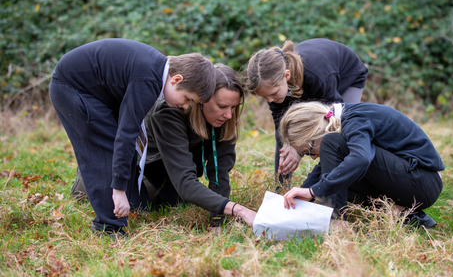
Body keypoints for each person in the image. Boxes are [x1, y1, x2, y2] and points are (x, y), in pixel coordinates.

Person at [49, 38, 216, 236]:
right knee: (107, 149)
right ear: (176, 79)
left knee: (121, 149)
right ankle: (107, 227)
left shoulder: (155, 72)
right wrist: (118, 190)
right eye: (188, 99)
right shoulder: (148, 80)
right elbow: (125, 134)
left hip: (94, 93)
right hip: (72, 88)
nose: (186, 106)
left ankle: (122, 208)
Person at [279, 102, 444, 229]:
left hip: (424, 181)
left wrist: (313, 191)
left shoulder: (354, 119)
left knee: (334, 147)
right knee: (335, 177)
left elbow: (362, 159)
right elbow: (325, 171)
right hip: (412, 182)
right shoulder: (338, 121)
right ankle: (404, 214)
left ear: (317, 131)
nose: (313, 157)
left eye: (308, 151)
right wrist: (295, 204)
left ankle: (338, 226)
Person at [143, 64, 257, 226]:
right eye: (222, 106)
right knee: (142, 207)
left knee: (186, 201)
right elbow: (185, 184)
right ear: (201, 99)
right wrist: (239, 210)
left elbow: (219, 173)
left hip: (180, 166)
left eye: (234, 107)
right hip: (147, 166)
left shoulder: (224, 117)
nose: (229, 114)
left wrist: (217, 218)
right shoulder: (170, 112)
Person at [245, 38, 369, 187]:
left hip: (347, 77)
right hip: (305, 81)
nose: (270, 101)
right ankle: (281, 188)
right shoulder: (274, 89)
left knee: (337, 134)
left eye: (273, 94)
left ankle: (333, 186)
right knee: (284, 137)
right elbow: (281, 129)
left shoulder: (317, 76)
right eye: (265, 97)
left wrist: (298, 150)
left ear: (287, 75)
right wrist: (289, 144)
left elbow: (334, 119)